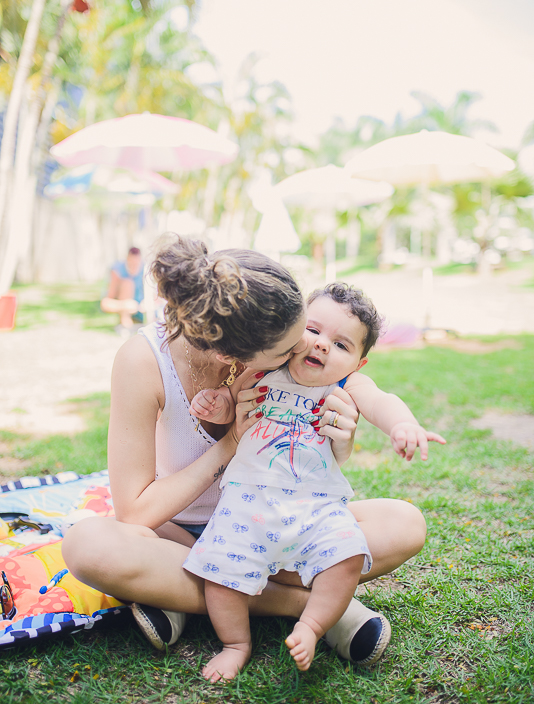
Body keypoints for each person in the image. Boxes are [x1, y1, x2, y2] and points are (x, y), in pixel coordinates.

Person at [61, 235, 430, 676]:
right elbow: (135, 512)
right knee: (89, 546)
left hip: (280, 523)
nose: (306, 348)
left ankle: (179, 595)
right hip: (181, 531)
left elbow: (318, 440)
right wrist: (230, 443)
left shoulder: (276, 332)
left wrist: (344, 440)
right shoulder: (146, 361)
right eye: (292, 346)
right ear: (232, 356)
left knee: (405, 523)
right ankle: (309, 606)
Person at [185, 283, 446, 681]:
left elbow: (381, 401)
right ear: (293, 328)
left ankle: (311, 624)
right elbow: (229, 400)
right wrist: (217, 404)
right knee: (221, 576)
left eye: (341, 345)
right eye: (313, 330)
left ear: (358, 364)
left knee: (347, 557)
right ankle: (236, 644)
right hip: (247, 505)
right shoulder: (263, 370)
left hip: (317, 509)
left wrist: (403, 424)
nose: (323, 345)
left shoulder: (345, 385)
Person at [100, 246, 145, 331]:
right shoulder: (117, 270)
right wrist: (124, 305)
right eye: (131, 263)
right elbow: (105, 304)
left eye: (136, 263)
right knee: (127, 283)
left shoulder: (146, 269)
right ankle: (126, 322)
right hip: (127, 305)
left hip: (144, 309)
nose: (134, 266)